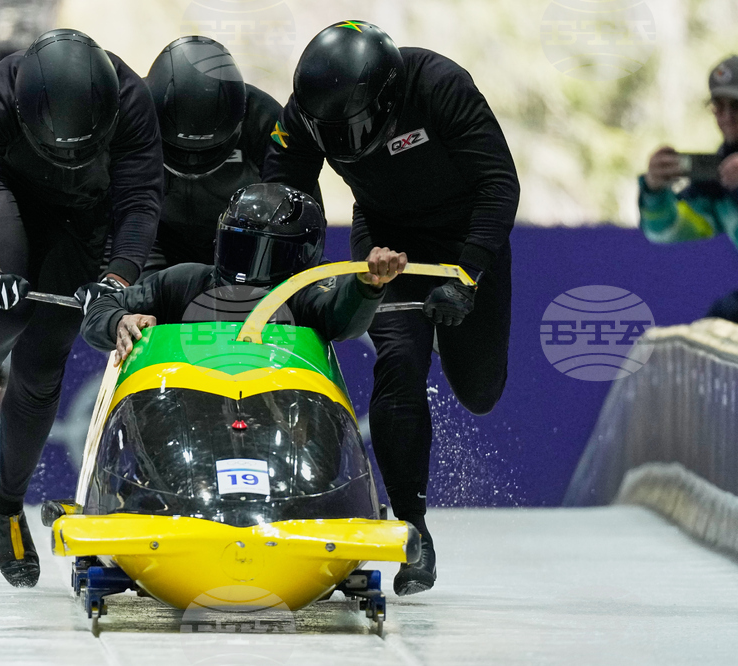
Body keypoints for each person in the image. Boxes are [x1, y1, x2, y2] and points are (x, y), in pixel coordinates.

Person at [261, 20, 519, 595]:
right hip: (388, 243)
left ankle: (452, 321)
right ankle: (412, 528)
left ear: (386, 98)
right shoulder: (302, 113)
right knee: (399, 362)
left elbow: (499, 183)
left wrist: (468, 274)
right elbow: (282, 197)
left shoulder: (439, 85)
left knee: (479, 390)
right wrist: (278, 285)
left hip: (464, 242)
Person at [0, 29, 162, 588]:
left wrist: (113, 280)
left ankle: (6, 504)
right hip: (15, 197)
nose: (69, 154)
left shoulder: (131, 102)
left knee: (43, 363)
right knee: (4, 311)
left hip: (84, 217)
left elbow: (138, 205)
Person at [79, 183, 407, 363]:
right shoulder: (183, 281)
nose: (249, 267)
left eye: (268, 253)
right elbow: (102, 308)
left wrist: (366, 287)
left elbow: (342, 318)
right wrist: (118, 322)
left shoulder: (306, 295)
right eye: (240, 247)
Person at [141, 36, 320, 275]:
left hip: (240, 241)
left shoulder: (264, 119)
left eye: (207, 151)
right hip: (155, 239)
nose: (192, 162)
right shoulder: (136, 112)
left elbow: (301, 208)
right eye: (179, 151)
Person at [640, 55, 738, 323]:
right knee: (714, 329)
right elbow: (665, 231)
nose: (727, 117)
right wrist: (655, 191)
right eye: (718, 106)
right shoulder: (719, 181)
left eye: (737, 106)